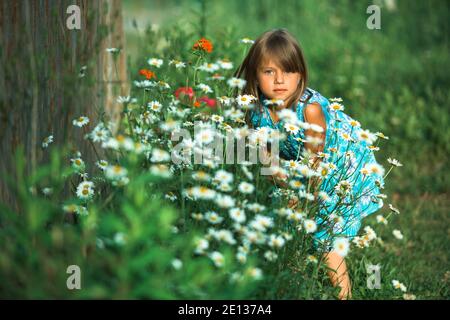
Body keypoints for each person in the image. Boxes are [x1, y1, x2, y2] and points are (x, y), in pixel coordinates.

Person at [234, 28, 385, 300]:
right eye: (269, 72)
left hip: (342, 169)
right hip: (304, 170)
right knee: (283, 225)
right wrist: (284, 188)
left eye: (288, 71)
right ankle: (292, 283)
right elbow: (264, 156)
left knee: (327, 240)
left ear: (301, 74)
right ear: (255, 76)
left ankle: (344, 296)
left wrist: (303, 199)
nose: (280, 80)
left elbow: (314, 162)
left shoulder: (310, 109)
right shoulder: (256, 110)